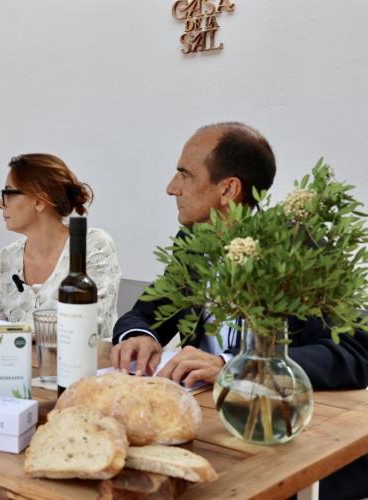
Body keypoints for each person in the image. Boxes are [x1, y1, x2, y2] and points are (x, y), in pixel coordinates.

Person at [110, 122, 368, 499]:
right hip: (204, 424)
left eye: (184, 174)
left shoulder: (297, 248)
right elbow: (147, 313)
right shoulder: (192, 241)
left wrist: (236, 367)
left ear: (228, 189)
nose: (171, 187)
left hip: (278, 436)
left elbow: (356, 352)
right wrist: (139, 336)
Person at [0, 154, 121, 335]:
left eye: (9, 194)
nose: (0, 204)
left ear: (38, 202)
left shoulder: (93, 246)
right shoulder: (6, 258)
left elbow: (89, 323)